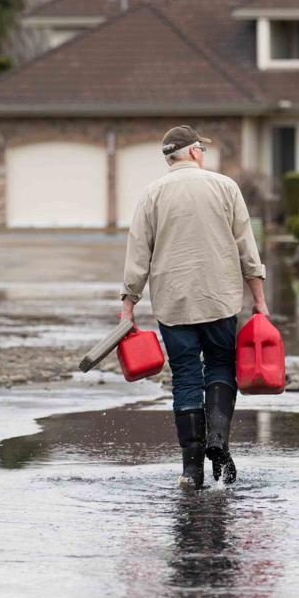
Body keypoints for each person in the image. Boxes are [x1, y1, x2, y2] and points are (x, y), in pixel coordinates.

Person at [120, 125, 267, 489]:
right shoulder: (225, 187)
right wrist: (259, 300)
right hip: (220, 299)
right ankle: (218, 440)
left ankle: (191, 470)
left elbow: (138, 252)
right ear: (195, 152)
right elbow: (247, 247)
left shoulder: (152, 194)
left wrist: (128, 304)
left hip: (173, 302)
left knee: (186, 376)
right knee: (220, 366)